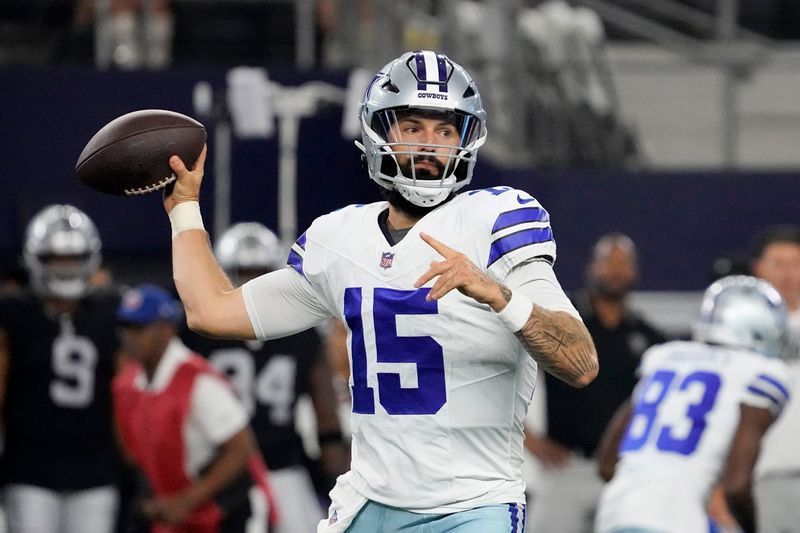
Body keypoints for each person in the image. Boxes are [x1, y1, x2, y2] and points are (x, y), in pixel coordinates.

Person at [162, 50, 598, 532]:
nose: (431, 145)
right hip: (368, 504)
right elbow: (211, 312)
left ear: (465, 141)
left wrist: (498, 294)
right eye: (414, 127)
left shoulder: (496, 220)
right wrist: (185, 208)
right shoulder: (339, 239)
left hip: (472, 508)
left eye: (446, 130)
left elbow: (580, 363)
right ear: (379, 133)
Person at [181, 222, 349, 533]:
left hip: (266, 465)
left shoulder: (203, 330)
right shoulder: (299, 331)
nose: (251, 281)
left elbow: (325, 411)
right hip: (227, 466)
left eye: (258, 272)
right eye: (244, 271)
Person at [594, 275, 793, 533]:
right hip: (677, 520)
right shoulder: (760, 372)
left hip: (615, 516)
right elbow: (736, 486)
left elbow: (607, 463)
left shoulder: (665, 357)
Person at [526, 232, 666, 533]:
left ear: (635, 271)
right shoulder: (563, 323)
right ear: (591, 267)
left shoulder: (649, 338)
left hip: (627, 473)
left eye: (623, 263)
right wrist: (530, 440)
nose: (616, 270)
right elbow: (506, 373)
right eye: (608, 262)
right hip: (568, 469)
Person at [112, 283, 276, 533]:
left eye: (140, 329)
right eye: (126, 328)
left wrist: (185, 501)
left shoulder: (197, 381)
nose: (130, 338)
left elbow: (241, 449)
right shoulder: (127, 385)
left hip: (229, 506)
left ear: (167, 329)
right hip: (180, 508)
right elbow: (134, 454)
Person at [0, 204, 122, 533]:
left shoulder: (110, 313)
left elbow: (126, 397)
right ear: (36, 260)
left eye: (72, 259)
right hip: (30, 469)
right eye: (56, 259)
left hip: (95, 468)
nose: (66, 269)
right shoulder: (13, 314)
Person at [750, 224, 800, 533]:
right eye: (778, 264)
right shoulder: (738, 328)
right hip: (762, 480)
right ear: (758, 270)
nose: (788, 274)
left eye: (796, 264)